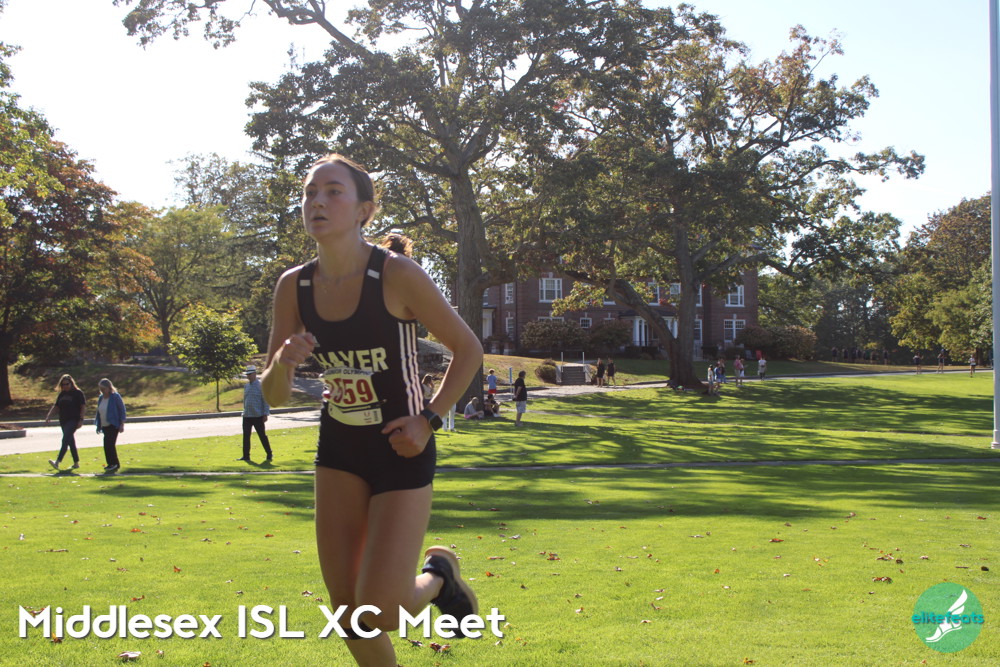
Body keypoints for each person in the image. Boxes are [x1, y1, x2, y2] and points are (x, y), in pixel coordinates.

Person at [259, 154, 482, 666]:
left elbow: (468, 350)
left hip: (401, 446)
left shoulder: (396, 274)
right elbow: (272, 396)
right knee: (348, 614)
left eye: (332, 191)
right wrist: (284, 362)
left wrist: (429, 420)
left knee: (380, 611)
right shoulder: (295, 285)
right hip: (339, 448)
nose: (317, 201)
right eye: (309, 193)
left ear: (365, 210)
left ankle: (440, 578)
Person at [46, 374, 86, 471]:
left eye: (67, 384)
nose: (65, 386)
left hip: (73, 419)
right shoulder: (62, 394)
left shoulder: (78, 393)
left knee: (65, 439)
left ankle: (57, 461)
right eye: (63, 384)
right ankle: (76, 463)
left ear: (71, 383)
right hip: (63, 420)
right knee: (70, 440)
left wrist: (81, 420)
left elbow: (83, 406)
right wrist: (49, 415)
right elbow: (56, 406)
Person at [239, 365, 273, 463]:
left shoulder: (261, 386)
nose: (248, 376)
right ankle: (246, 456)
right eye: (247, 375)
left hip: (258, 415)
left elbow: (266, 401)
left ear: (254, 374)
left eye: (250, 374)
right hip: (247, 415)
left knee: (262, 435)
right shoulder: (246, 386)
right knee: (246, 436)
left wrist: (265, 414)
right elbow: (245, 400)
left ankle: (269, 453)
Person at [94, 378, 126, 473]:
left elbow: (122, 410)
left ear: (109, 388)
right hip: (104, 425)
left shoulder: (115, 397)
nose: (102, 391)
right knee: (106, 445)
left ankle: (114, 463)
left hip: (113, 424)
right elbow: (99, 411)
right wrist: (98, 424)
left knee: (109, 444)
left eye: (104, 389)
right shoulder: (101, 398)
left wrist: (122, 424)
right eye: (101, 389)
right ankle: (112, 464)